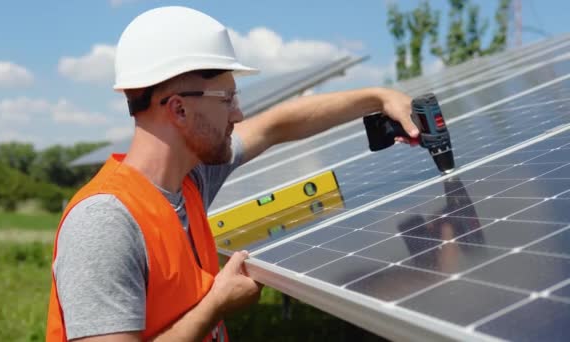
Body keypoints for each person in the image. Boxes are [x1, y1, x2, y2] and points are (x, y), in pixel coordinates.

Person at [46, 6, 419, 342]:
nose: (238, 115)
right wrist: (215, 306)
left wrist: (376, 97)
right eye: (227, 100)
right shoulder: (105, 222)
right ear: (178, 110)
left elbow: (275, 126)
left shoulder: (191, 181)